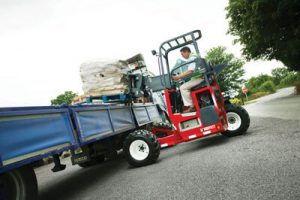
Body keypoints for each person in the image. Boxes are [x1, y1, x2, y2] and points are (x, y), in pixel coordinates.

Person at [172, 47, 204, 112]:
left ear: (187, 51)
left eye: (182, 54)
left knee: (182, 88)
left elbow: (190, 71)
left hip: (199, 78)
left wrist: (178, 77)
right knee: (186, 86)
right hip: (200, 77)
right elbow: (190, 71)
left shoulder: (191, 59)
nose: (182, 56)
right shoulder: (194, 57)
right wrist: (181, 76)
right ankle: (195, 103)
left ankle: (192, 106)